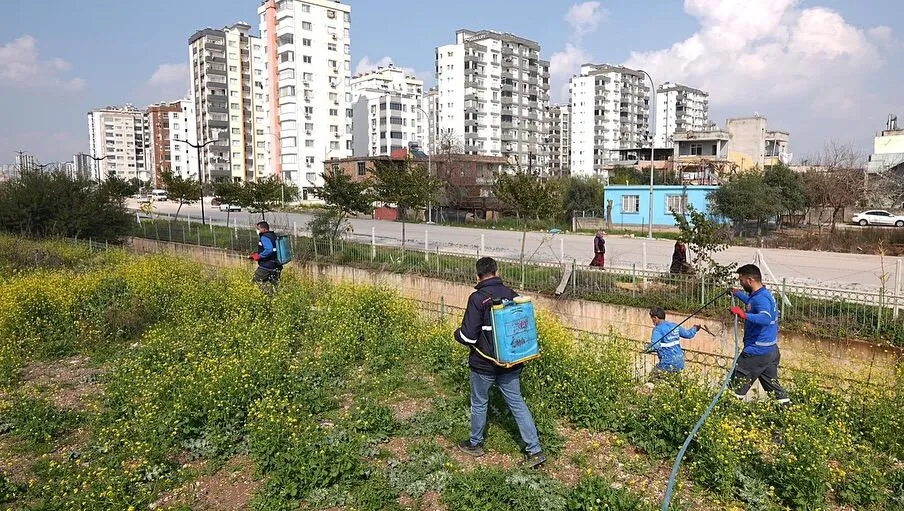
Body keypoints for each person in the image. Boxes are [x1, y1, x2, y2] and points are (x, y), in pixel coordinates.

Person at [454, 257, 546, 468]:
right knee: (517, 403)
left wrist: (457, 334)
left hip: (483, 364)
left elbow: (468, 336)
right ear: (497, 272)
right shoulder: (512, 294)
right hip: (510, 362)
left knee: (479, 402)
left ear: (477, 276)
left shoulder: (477, 298)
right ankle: (535, 450)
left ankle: (475, 443)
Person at [728, 264, 791, 404]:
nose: (740, 283)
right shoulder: (763, 294)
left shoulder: (761, 299)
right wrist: (738, 294)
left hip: (756, 352)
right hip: (770, 351)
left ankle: (723, 412)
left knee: (734, 388)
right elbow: (753, 304)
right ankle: (788, 410)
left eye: (741, 280)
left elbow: (765, 318)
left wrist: (743, 314)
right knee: (774, 390)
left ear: (750, 280)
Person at [646, 306, 701, 376]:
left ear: (655, 318)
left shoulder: (657, 329)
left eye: (652, 318)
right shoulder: (674, 326)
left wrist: (645, 349)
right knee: (673, 380)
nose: (652, 321)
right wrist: (695, 328)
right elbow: (688, 334)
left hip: (667, 363)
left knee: (652, 377)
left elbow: (655, 346)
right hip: (680, 362)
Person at [249, 221, 282, 295]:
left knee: (256, 281)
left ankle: (266, 295)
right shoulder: (273, 235)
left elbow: (269, 249)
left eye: (258, 228)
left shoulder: (264, 237)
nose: (257, 230)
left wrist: (259, 256)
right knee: (275, 285)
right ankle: (273, 297)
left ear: (263, 229)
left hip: (266, 266)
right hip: (276, 265)